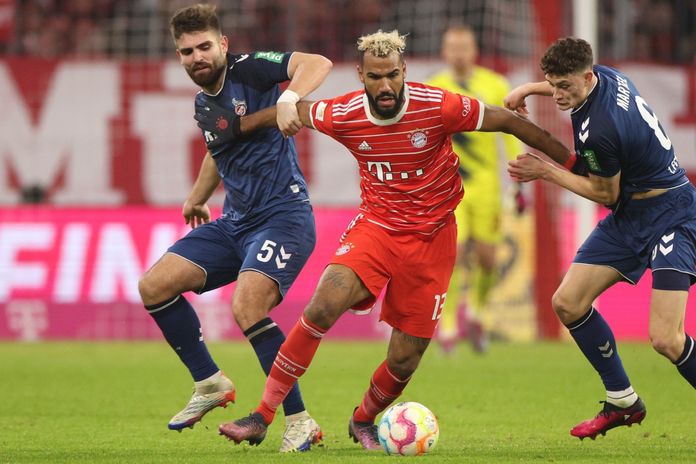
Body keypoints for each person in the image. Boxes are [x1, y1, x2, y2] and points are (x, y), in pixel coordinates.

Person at [206, 29, 577, 450]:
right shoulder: (343, 113)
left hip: (433, 238)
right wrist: (236, 128)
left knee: (405, 358)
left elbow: (508, 120)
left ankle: (363, 419)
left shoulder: (438, 105)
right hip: (377, 228)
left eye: (392, 76)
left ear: (404, 71)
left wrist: (571, 162)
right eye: (375, 77)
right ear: (360, 75)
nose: (385, 86)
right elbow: (293, 111)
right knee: (323, 304)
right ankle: (262, 415)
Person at [505, 37, 696, 452]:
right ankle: (622, 400)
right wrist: (529, 88)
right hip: (632, 214)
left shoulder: (600, 129)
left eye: (565, 86)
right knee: (567, 303)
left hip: (672, 213)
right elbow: (567, 85)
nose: (558, 95)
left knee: (666, 338)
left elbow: (604, 193)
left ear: (587, 78)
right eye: (553, 84)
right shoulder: (606, 77)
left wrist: (544, 171)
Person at [136, 3, 331, 453]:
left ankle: (299, 421)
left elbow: (317, 63)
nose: (197, 57)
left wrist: (287, 99)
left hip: (284, 217)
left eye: (205, 46)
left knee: (247, 307)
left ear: (222, 44)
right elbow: (218, 149)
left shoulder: (251, 69)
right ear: (179, 56)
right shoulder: (204, 104)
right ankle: (209, 382)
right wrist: (196, 197)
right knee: (154, 286)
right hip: (235, 223)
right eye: (187, 51)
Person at [426, 25, 524, 354]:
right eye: (452, 48)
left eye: (463, 47)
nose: (458, 54)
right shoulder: (433, 87)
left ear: (474, 50)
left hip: (486, 185)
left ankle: (477, 313)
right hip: (448, 185)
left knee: (487, 259)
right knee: (452, 254)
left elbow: (511, 133)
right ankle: (448, 326)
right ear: (444, 51)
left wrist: (518, 180)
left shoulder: (495, 84)